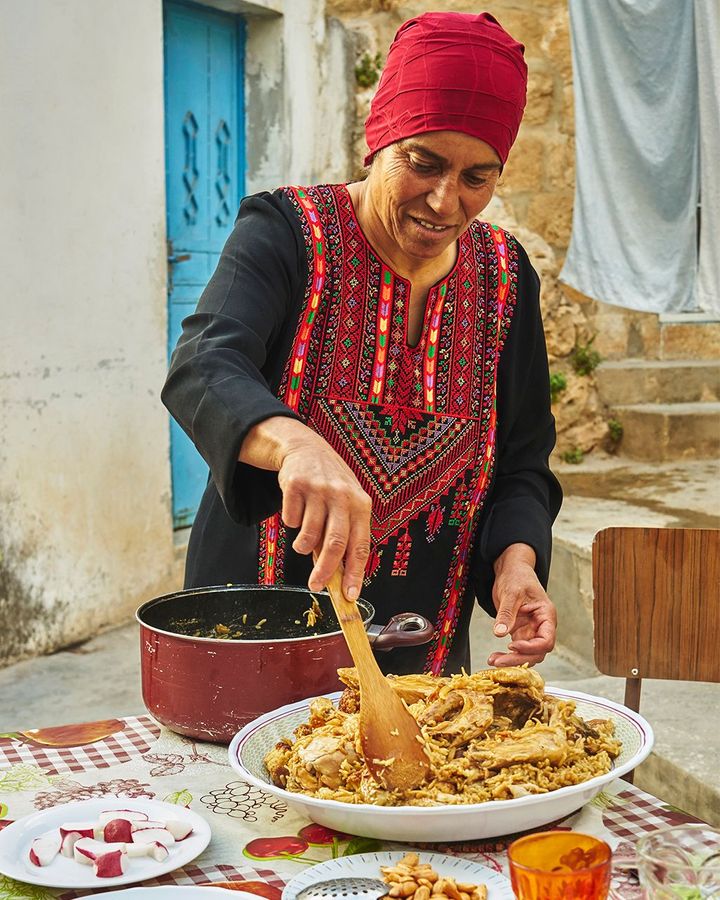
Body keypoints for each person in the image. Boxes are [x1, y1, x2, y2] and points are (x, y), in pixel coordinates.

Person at [162, 10, 563, 677]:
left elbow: (523, 455)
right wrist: (294, 443)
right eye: (423, 163)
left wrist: (516, 559)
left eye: (477, 178)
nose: (443, 202)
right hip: (258, 638)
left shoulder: (505, 278)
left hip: (423, 659)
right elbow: (204, 365)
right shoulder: (288, 235)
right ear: (378, 141)